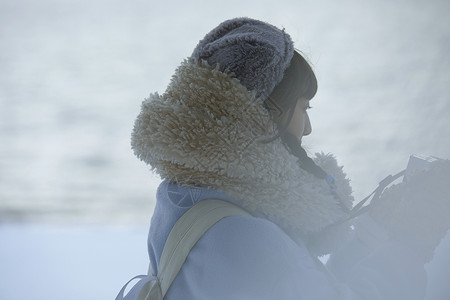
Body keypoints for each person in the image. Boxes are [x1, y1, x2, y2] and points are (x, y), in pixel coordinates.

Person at [127, 17, 450, 299]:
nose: (307, 129)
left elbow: (297, 283)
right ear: (260, 114)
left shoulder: (183, 197)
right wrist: (407, 246)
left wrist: (370, 239)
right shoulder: (244, 235)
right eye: (303, 108)